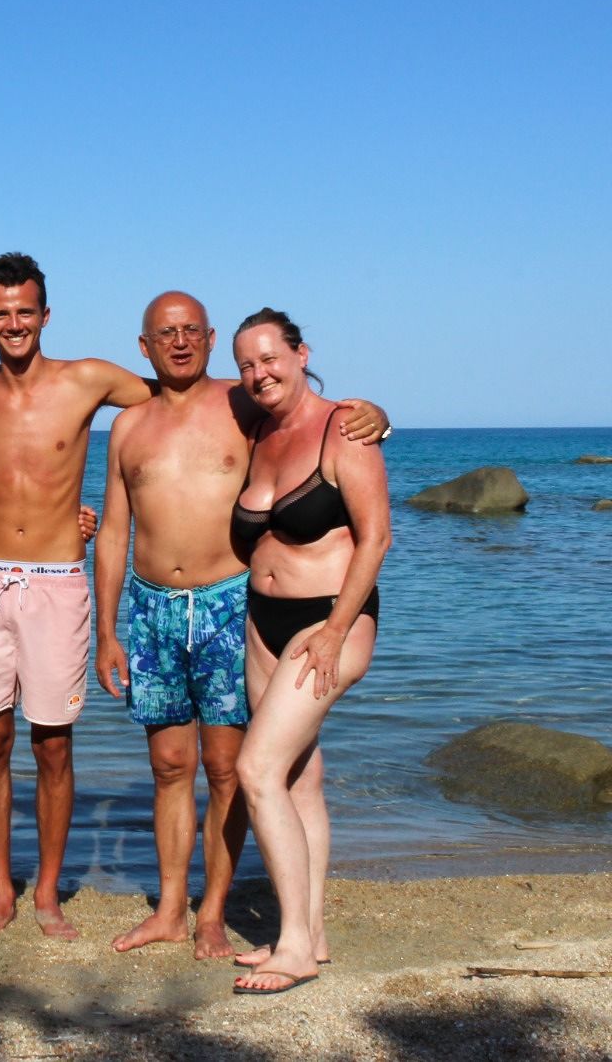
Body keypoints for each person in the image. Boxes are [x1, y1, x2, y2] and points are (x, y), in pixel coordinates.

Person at [94, 292, 388, 959]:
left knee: (229, 767)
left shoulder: (243, 403)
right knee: (169, 765)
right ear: (144, 347)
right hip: (151, 606)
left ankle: (212, 915)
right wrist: (106, 630)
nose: (179, 342)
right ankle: (170, 909)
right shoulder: (128, 426)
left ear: (209, 337)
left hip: (231, 601)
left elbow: (315, 422)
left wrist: (379, 417)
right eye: (164, 333)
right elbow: (113, 532)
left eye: (192, 330)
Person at [0, 253, 148, 937]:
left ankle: (48, 893)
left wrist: (112, 504)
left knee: (53, 746)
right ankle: (1, 892)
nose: (14, 323)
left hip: (58, 579)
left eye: (25, 311)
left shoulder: (88, 378)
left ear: (45, 314)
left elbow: (183, 398)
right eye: (0, 313)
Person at [227, 308, 390, 995]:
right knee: (298, 777)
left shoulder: (344, 427)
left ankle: (290, 946)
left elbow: (376, 538)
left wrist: (334, 628)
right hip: (263, 620)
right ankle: (311, 931)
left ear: (301, 353)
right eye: (246, 364)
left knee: (255, 768)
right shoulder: (259, 429)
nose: (259, 373)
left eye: (270, 357)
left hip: (329, 621)